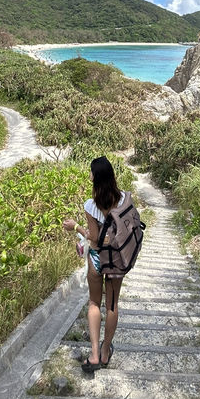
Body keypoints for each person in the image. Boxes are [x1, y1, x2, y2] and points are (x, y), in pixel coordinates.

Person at [63, 155, 126, 372]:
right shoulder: (124, 197)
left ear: (96, 177)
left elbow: (95, 237)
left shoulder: (91, 205)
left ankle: (94, 355)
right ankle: (106, 352)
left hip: (99, 259)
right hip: (118, 258)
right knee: (112, 305)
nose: (89, 175)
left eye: (91, 172)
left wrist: (75, 227)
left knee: (93, 303)